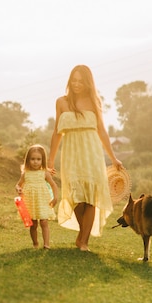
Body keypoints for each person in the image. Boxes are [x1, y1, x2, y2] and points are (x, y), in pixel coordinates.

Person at [48, 65, 123, 252]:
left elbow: (102, 131)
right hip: (71, 153)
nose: (76, 84)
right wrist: (50, 160)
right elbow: (57, 133)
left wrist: (114, 158)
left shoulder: (93, 101)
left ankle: (83, 241)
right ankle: (83, 236)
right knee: (75, 195)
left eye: (81, 81)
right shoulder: (61, 102)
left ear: (88, 83)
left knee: (90, 197)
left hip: (92, 153)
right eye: (74, 80)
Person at [15, 144, 59, 249]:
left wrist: (55, 197)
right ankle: (35, 243)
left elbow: (53, 185)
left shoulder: (44, 173)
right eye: (33, 159)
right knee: (33, 224)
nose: (36, 162)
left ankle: (46, 244)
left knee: (44, 222)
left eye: (38, 159)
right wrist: (18, 189)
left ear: (42, 160)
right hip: (31, 201)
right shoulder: (25, 173)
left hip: (42, 201)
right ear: (28, 160)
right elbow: (18, 184)